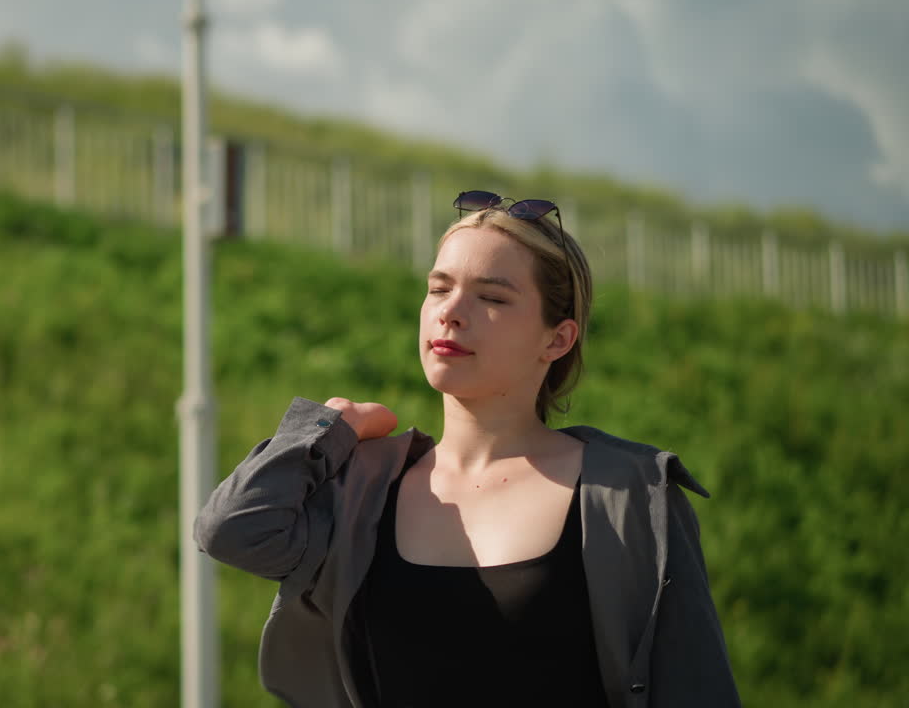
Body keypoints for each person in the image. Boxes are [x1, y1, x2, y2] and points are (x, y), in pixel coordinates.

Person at [194, 190, 741, 707]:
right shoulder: (364, 484)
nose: (451, 311)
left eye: (492, 297)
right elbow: (232, 531)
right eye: (439, 288)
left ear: (558, 339)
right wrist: (326, 427)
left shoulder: (631, 496)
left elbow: (697, 690)